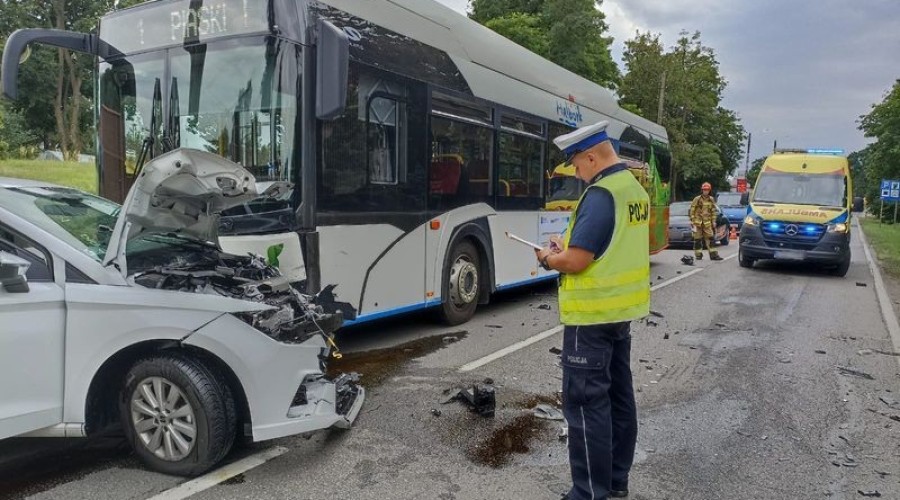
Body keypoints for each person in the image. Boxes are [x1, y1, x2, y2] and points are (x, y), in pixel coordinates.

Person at [534, 121, 650, 500]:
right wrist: (564, 245)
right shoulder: (633, 190)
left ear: (590, 156)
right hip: (619, 315)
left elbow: (579, 260)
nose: (578, 174)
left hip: (591, 319)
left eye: (577, 165)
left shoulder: (601, 194)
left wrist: (549, 259)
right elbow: (611, 245)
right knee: (619, 399)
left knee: (585, 407)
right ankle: (615, 483)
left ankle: (588, 493)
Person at [689, 182, 723, 261]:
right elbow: (692, 210)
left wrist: (714, 221)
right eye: (704, 190)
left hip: (707, 223)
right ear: (702, 190)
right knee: (697, 239)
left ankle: (714, 255)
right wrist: (692, 220)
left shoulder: (711, 199)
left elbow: (713, 211)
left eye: (707, 190)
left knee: (711, 239)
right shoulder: (697, 199)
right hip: (697, 223)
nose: (705, 191)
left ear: (709, 190)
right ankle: (698, 255)